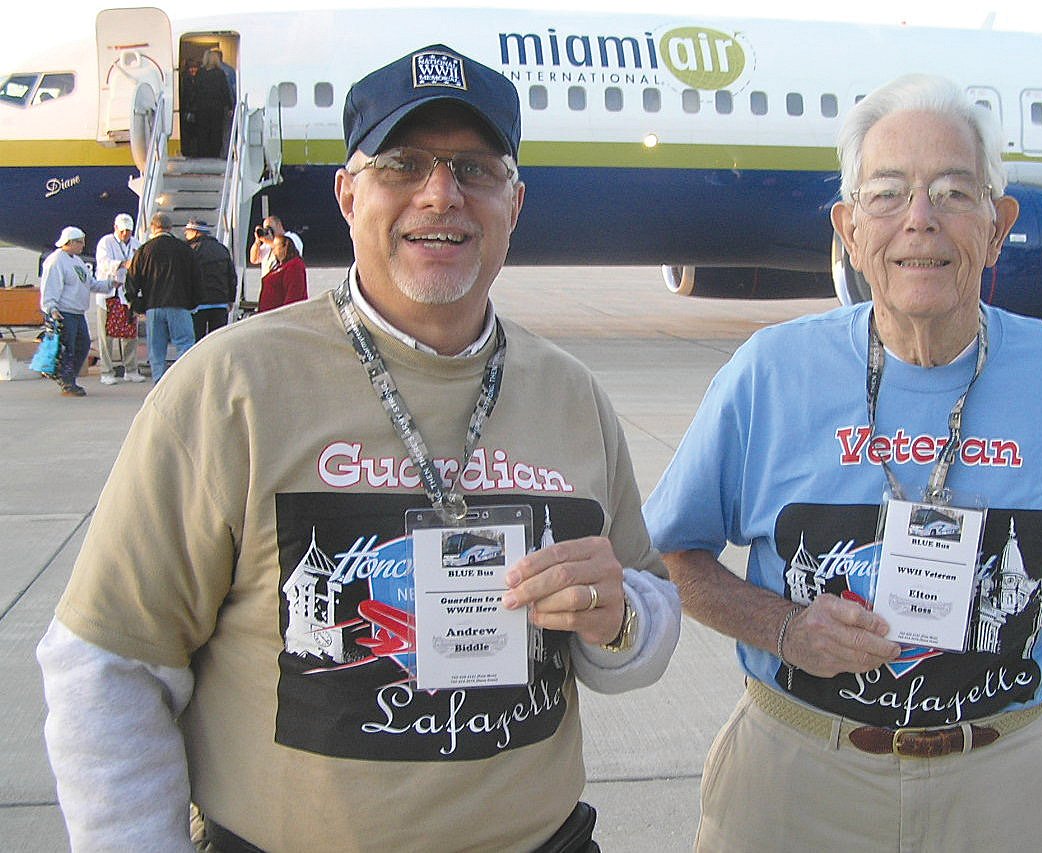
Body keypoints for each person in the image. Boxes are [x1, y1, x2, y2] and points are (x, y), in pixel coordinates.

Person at [38, 43, 680, 852]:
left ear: (513, 204)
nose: (440, 194)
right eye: (402, 164)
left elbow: (646, 612)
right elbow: (107, 664)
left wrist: (620, 615)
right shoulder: (231, 386)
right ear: (348, 193)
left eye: (475, 170)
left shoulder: (571, 395)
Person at [643, 74, 1042, 853]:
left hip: (1002, 789)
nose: (920, 222)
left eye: (952, 192)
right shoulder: (768, 373)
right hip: (795, 778)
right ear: (848, 228)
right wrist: (785, 626)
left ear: (999, 225)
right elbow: (670, 554)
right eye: (887, 194)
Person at [39, 226, 114, 396]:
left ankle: (69, 377)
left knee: (83, 345)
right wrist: (51, 308)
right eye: (80, 242)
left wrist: (110, 284)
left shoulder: (77, 261)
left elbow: (91, 284)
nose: (83, 245)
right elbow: (49, 287)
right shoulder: (56, 261)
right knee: (68, 347)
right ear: (70, 242)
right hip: (64, 311)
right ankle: (66, 381)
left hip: (78, 312)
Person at [125, 212, 200, 382]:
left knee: (156, 350)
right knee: (184, 344)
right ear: (170, 228)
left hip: (153, 306)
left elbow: (132, 279)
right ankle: (182, 382)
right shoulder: (183, 249)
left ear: (153, 227)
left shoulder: (144, 250)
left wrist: (136, 304)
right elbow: (196, 277)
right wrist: (194, 302)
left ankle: (158, 384)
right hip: (179, 305)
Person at [93, 213, 145, 384]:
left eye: (128, 231)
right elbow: (103, 263)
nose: (125, 234)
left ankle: (131, 369)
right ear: (115, 228)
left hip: (128, 294)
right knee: (106, 335)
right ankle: (107, 371)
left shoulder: (137, 244)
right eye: (122, 231)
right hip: (109, 294)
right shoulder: (105, 243)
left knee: (130, 333)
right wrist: (122, 264)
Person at [184, 218, 236, 340]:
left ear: (196, 232)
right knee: (218, 340)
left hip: (198, 304)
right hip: (220, 302)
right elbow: (231, 276)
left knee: (197, 341)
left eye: (188, 231)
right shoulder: (222, 249)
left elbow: (187, 277)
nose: (185, 234)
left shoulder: (191, 250)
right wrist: (231, 299)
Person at [191, 49, 232, 157]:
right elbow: (225, 91)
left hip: (202, 108)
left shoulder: (200, 73)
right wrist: (230, 106)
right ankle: (214, 153)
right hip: (216, 108)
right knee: (216, 131)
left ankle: (203, 152)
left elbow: (195, 90)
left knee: (202, 131)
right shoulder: (220, 73)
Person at [256, 231, 307, 312]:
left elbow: (294, 294)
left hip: (280, 317)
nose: (273, 252)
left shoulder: (294, 265)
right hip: (268, 316)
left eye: (275, 248)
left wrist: (286, 314)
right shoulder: (278, 266)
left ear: (285, 247)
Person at [248, 213, 303, 277]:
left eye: (270, 228)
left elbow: (287, 253)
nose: (268, 231)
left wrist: (270, 242)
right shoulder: (267, 243)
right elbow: (254, 259)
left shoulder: (292, 237)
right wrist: (257, 241)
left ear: (279, 225)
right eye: (265, 228)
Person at [179, 59, 200, 157]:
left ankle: (191, 150)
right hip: (189, 109)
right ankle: (190, 150)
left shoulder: (186, 78)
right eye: (191, 68)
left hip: (190, 109)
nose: (193, 70)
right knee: (190, 131)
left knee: (191, 131)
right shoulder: (187, 79)